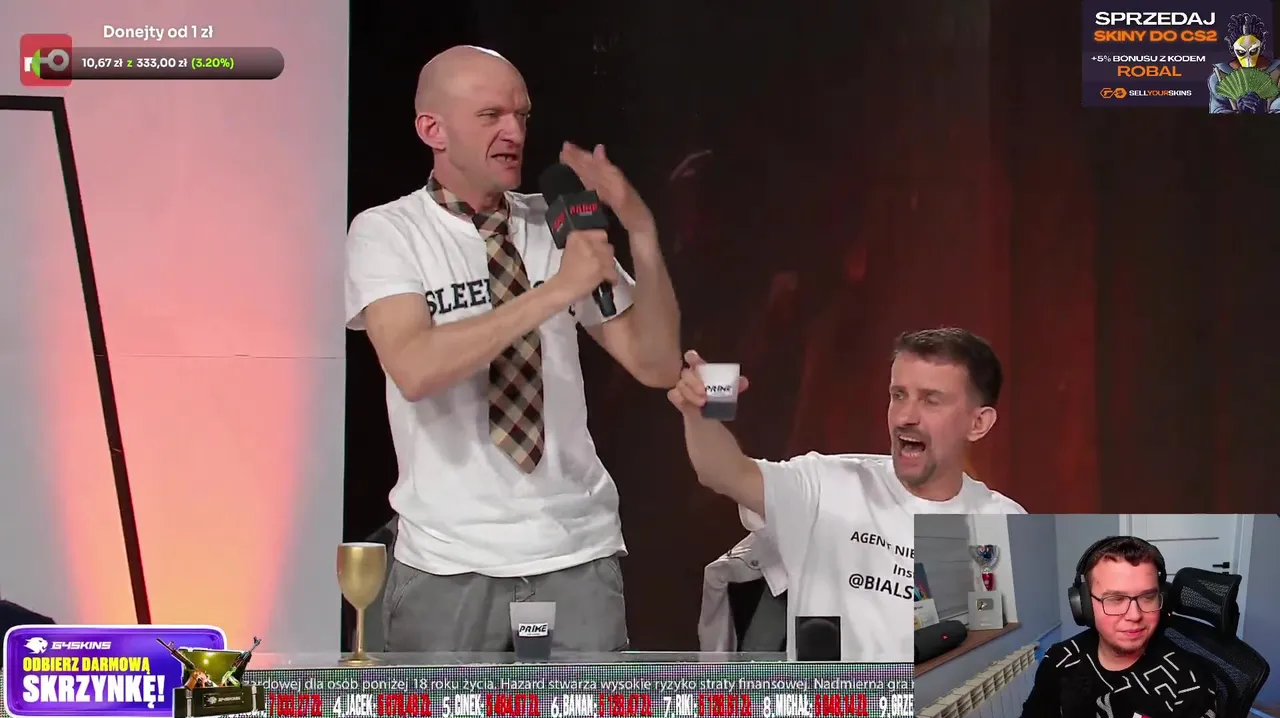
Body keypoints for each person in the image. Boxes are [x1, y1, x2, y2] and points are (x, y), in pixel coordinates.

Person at [345, 46, 681, 653]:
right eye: (491, 116)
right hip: (448, 563)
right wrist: (556, 292)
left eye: (522, 116)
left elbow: (655, 363)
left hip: (576, 554)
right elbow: (414, 367)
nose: (515, 133)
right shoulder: (389, 231)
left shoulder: (557, 222)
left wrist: (641, 231)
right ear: (432, 129)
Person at [667, 328, 1025, 662]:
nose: (906, 416)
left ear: (978, 423)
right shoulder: (827, 483)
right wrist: (700, 413)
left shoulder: (1005, 525)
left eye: (931, 400)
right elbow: (723, 471)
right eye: (898, 395)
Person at [1020, 537, 1217, 718]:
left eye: (1147, 597)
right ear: (1084, 606)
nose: (1134, 615)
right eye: (1115, 599)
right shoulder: (1059, 659)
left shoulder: (1190, 682)